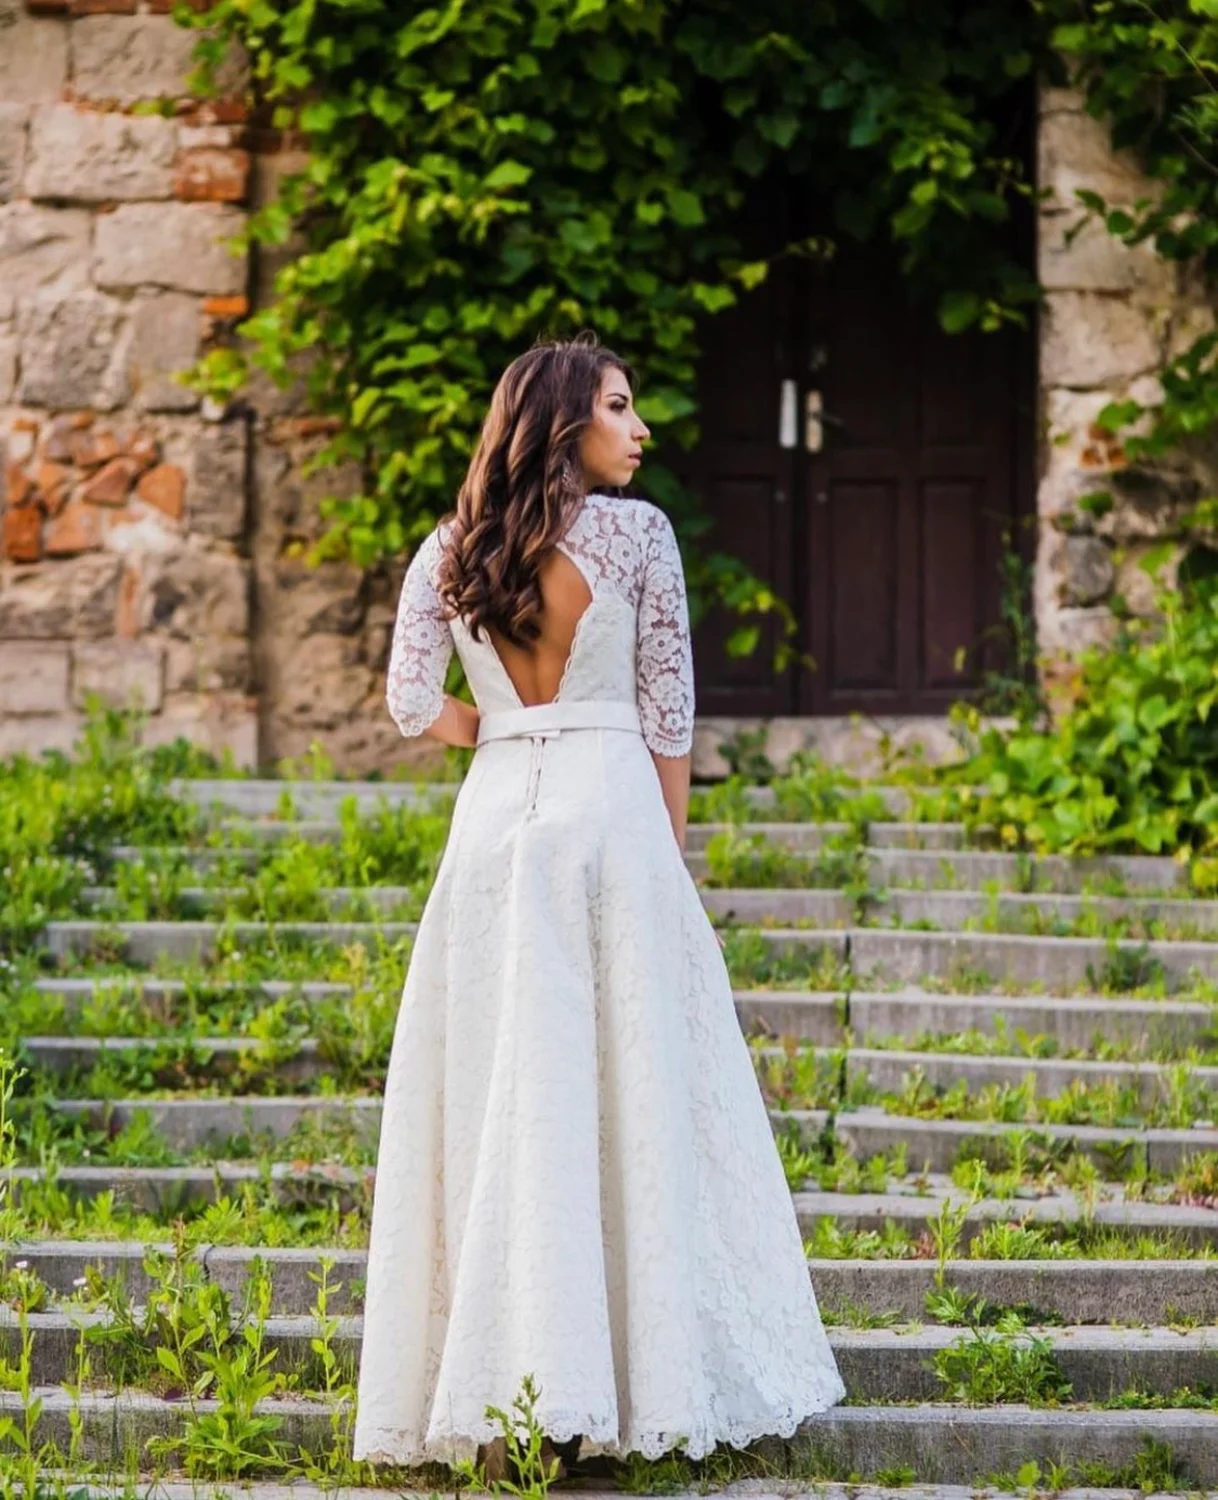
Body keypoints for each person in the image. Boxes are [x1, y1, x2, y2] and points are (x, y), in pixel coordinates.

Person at [352, 332, 845, 1480]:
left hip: (492, 837)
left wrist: (498, 728)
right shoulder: (638, 537)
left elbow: (405, 698)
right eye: (622, 408)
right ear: (565, 422)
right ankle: (614, 1378)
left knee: (502, 1097)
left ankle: (506, 1382)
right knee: (620, 1097)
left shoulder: (450, 546)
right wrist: (666, 859)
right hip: (610, 821)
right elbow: (668, 713)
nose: (642, 429)